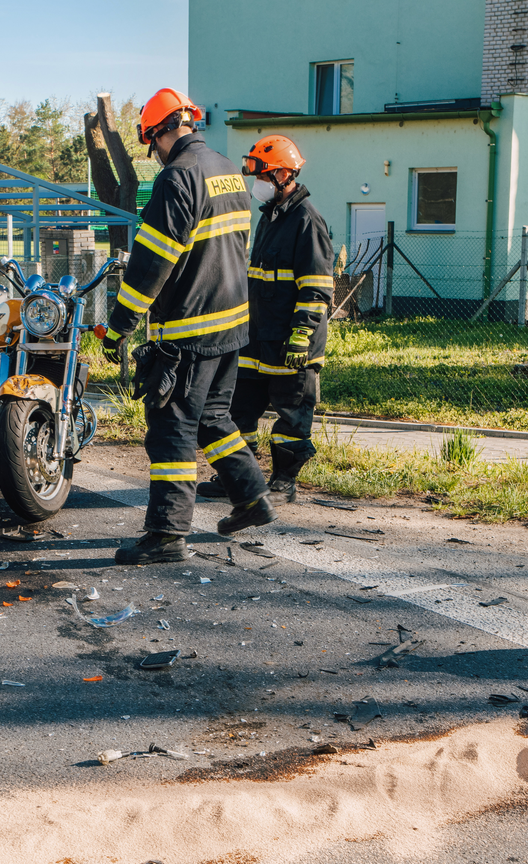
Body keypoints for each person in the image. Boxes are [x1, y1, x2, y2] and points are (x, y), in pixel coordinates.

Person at [101, 88, 274, 565]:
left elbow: (151, 263)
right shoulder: (226, 169)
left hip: (189, 331)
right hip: (232, 325)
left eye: (151, 144)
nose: (154, 154)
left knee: (171, 427)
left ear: (158, 133)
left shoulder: (178, 177)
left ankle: (166, 534)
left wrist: (119, 326)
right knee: (214, 417)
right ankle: (252, 498)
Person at [198, 135, 333, 504]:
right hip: (257, 340)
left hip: (291, 342)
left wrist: (302, 335)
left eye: (262, 175)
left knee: (292, 416)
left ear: (282, 175)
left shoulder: (307, 221)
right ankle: (238, 478)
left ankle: (283, 481)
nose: (257, 183)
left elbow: (317, 287)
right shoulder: (271, 217)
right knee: (238, 411)